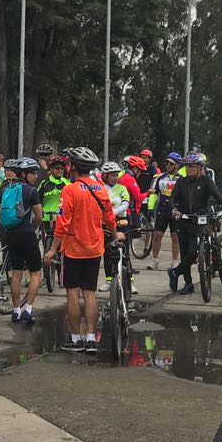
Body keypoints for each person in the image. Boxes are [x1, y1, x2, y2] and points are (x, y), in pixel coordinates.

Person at [43, 147, 119, 351]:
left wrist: (52, 250)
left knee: (72, 294)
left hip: (73, 249)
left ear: (73, 166)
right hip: (95, 248)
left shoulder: (70, 190)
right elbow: (110, 218)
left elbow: (62, 223)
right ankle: (92, 338)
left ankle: (76, 339)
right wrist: (115, 234)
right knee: (90, 294)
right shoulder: (101, 189)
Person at [0, 157, 43, 325]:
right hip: (27, 234)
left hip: (11, 234)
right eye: (32, 172)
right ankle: (28, 310)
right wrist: (34, 229)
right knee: (35, 273)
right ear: (23, 174)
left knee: (16, 274)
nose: (36, 176)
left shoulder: (7, 189)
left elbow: (0, 213)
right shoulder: (32, 191)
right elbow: (39, 216)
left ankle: (16, 311)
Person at [169, 152, 220, 295]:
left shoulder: (206, 181)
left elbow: (217, 195)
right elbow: (173, 198)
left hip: (199, 221)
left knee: (192, 253)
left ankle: (175, 272)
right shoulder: (181, 182)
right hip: (183, 220)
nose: (190, 169)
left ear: (199, 167)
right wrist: (174, 210)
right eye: (187, 167)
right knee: (185, 252)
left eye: (193, 167)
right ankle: (188, 284)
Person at [99, 162, 136, 292]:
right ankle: (109, 280)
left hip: (121, 223)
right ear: (105, 176)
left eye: (116, 175)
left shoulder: (122, 188)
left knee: (125, 253)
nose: (115, 178)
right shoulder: (100, 188)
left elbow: (125, 205)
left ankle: (130, 282)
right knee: (107, 253)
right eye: (112, 175)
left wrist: (110, 214)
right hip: (106, 225)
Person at [148, 152, 183, 269]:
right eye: (166, 163)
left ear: (177, 165)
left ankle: (175, 261)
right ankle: (155, 260)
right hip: (162, 209)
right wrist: (150, 208)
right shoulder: (160, 177)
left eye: (171, 163)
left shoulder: (181, 179)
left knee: (175, 236)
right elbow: (154, 193)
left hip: (176, 210)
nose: (168, 165)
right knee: (157, 235)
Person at [37, 155, 70, 253]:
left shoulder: (67, 184)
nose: (60, 170)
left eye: (62, 168)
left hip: (61, 216)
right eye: (57, 168)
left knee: (61, 242)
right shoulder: (44, 183)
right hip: (46, 216)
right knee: (45, 241)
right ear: (51, 169)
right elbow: (37, 200)